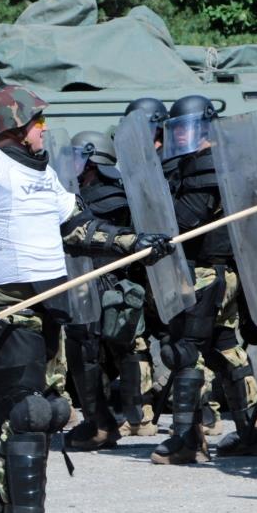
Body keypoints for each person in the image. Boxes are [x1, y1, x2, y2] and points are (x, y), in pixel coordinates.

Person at [0, 85, 171, 513]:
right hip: (2, 309)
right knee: (30, 413)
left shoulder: (45, 178)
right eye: (38, 123)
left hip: (47, 307)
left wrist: (133, 241)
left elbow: (79, 230)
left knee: (47, 412)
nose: (45, 130)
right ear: (14, 127)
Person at [150, 95, 257, 465]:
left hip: (207, 273)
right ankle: (254, 432)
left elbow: (185, 220)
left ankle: (188, 439)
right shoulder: (204, 163)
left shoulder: (209, 166)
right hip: (213, 273)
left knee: (185, 351)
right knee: (224, 349)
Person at [63, 129, 157, 450]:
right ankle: (137, 417)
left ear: (93, 162)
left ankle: (116, 420)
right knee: (122, 349)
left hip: (105, 284)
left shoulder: (105, 199)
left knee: (104, 350)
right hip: (103, 284)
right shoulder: (96, 195)